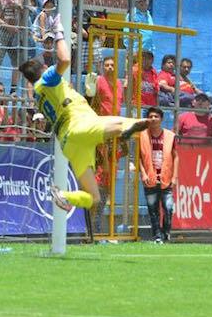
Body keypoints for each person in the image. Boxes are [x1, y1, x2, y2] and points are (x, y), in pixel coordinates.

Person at [19, 21, 147, 215]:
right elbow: (64, 60)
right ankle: (126, 130)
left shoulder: (39, 93)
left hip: (69, 142)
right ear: (44, 67)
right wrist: (60, 32)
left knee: (93, 198)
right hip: (78, 124)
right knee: (127, 122)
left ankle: (65, 196)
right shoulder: (46, 79)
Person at [138, 106, 176, 243]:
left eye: (156, 116)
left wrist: (174, 177)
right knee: (153, 210)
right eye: (151, 116)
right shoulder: (142, 135)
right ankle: (157, 236)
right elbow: (138, 157)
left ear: (161, 119)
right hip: (150, 178)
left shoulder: (170, 136)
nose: (153, 119)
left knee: (169, 208)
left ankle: (166, 233)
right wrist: (143, 173)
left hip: (166, 178)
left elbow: (176, 156)